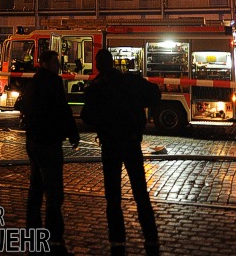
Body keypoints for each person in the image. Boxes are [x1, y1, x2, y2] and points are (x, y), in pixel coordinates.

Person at [80, 49, 161, 256]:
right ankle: (151, 238)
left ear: (98, 65)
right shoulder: (130, 81)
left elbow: (86, 116)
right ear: (113, 63)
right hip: (131, 142)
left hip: (110, 145)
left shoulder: (96, 87)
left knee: (113, 196)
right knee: (140, 192)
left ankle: (117, 242)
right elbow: (155, 94)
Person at [17, 49, 80, 256]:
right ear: (45, 63)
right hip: (49, 142)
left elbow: (24, 107)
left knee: (35, 190)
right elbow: (63, 110)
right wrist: (73, 134)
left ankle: (33, 235)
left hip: (33, 141)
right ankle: (54, 240)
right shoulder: (53, 82)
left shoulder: (32, 82)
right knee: (54, 192)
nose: (58, 66)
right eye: (55, 62)